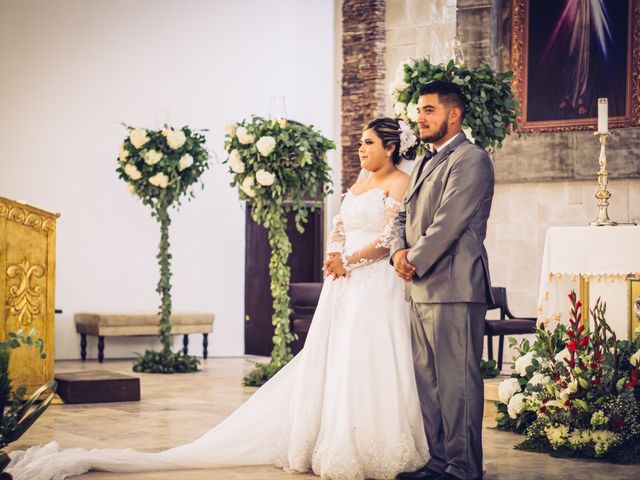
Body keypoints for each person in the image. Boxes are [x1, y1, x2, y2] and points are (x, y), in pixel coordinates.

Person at [8, 117, 429, 480]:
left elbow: (391, 238)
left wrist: (349, 261)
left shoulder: (400, 182)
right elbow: (339, 224)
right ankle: (328, 434)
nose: (360, 149)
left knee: (369, 356)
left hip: (374, 284)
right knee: (335, 359)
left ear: (391, 147)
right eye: (359, 142)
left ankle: (369, 441)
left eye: (368, 143)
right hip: (344, 283)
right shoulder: (358, 182)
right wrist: (333, 253)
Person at [391, 81, 494, 480]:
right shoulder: (423, 161)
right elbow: (402, 216)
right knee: (430, 384)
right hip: (419, 286)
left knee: (457, 384)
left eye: (429, 110)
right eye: (419, 110)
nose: (420, 117)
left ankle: (463, 467)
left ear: (454, 114)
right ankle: (438, 461)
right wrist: (398, 252)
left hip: (454, 286)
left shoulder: (471, 159)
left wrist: (412, 260)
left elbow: (449, 222)